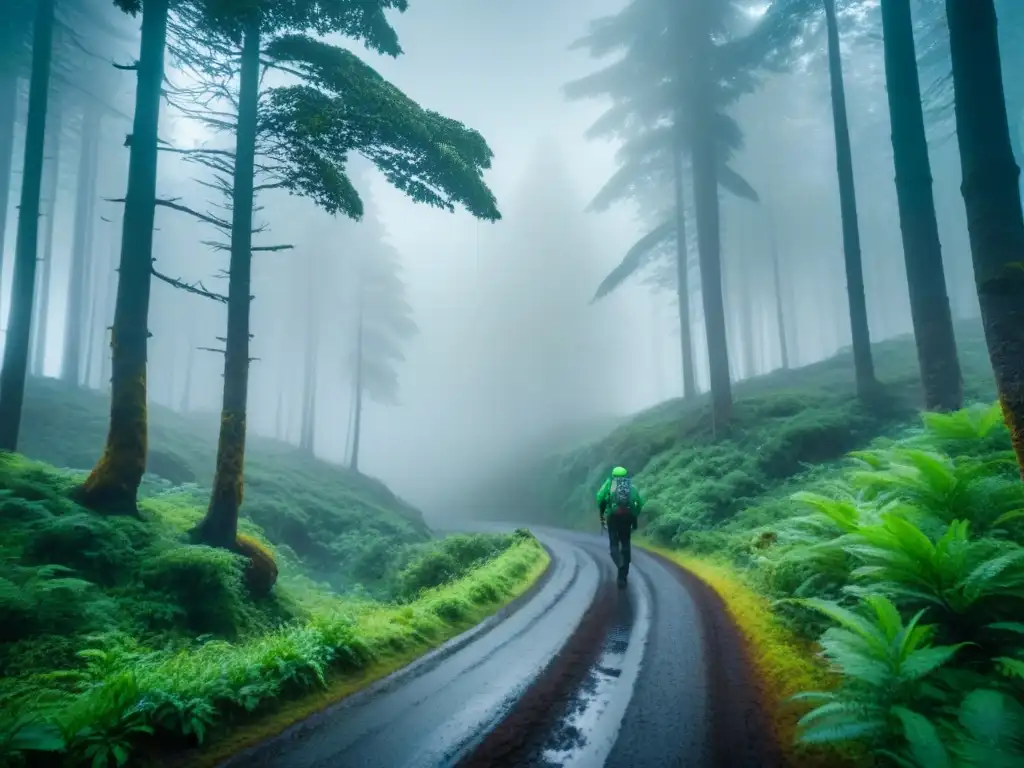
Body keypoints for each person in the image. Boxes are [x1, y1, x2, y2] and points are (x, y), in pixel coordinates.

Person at [596, 466, 644, 588]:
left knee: (614, 544)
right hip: (627, 518)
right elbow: (639, 503)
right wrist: (634, 516)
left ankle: (619, 563)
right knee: (626, 544)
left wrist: (603, 512)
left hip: (613, 517)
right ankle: (622, 578)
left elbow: (599, 498)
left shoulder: (609, 484)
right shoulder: (630, 487)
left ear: (613, 475)